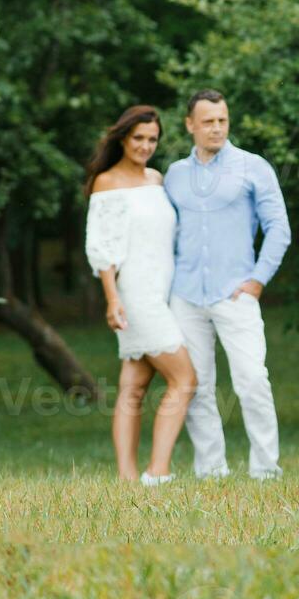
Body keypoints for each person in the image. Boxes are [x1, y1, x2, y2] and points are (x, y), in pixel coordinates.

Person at [164, 90, 291, 480]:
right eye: (208, 121)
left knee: (252, 378)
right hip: (184, 295)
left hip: (236, 293)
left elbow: (278, 229)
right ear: (190, 125)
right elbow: (166, 233)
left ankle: (266, 470)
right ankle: (211, 471)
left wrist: (257, 281)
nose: (216, 127)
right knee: (198, 385)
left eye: (222, 119)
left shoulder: (254, 167)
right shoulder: (174, 175)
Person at [83, 105, 198, 486]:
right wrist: (112, 299)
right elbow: (102, 249)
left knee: (133, 387)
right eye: (138, 138)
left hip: (164, 292)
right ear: (122, 139)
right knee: (185, 379)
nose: (146, 146)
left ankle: (127, 480)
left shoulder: (156, 179)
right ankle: (158, 472)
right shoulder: (107, 182)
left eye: (152, 139)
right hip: (136, 296)